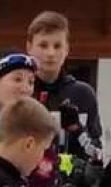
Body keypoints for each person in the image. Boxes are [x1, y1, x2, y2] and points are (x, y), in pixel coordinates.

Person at [26, 10, 103, 163]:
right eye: (43, 45)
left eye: (57, 46)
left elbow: (97, 155)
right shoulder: (21, 92)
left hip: (71, 183)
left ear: (67, 50)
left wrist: (78, 130)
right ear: (29, 47)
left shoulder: (83, 94)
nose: (50, 53)